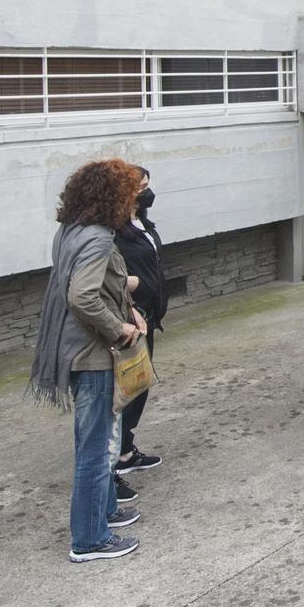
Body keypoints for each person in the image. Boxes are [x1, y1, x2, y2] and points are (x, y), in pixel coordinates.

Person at [28, 158, 148, 563]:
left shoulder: (71, 230)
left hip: (76, 350)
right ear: (112, 198)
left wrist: (125, 301)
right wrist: (120, 328)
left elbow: (90, 286)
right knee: (96, 450)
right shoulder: (97, 239)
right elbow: (82, 296)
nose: (134, 203)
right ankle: (89, 539)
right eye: (129, 196)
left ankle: (105, 512)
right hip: (92, 356)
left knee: (94, 444)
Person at [111, 168, 167, 496]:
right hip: (129, 321)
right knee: (126, 389)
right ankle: (115, 460)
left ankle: (126, 449)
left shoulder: (142, 221)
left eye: (148, 185)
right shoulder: (112, 232)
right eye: (141, 188)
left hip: (149, 317)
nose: (148, 192)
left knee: (140, 384)